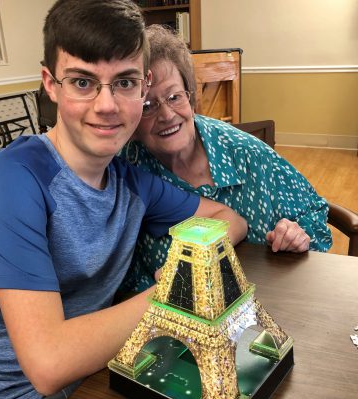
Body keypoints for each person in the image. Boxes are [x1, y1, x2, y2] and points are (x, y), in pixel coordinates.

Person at [0, 1, 248, 399]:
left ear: (144, 86)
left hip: (98, 375)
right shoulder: (14, 180)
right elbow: (48, 363)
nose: (107, 105)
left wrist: (188, 259)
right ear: (49, 83)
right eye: (82, 82)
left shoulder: (131, 184)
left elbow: (228, 218)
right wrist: (176, 291)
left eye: (125, 82)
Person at [120, 24, 332, 291]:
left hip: (267, 303)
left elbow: (314, 217)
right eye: (148, 106)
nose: (166, 115)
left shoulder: (246, 153)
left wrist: (296, 235)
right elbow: (124, 275)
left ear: (191, 96)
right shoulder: (127, 166)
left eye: (174, 97)